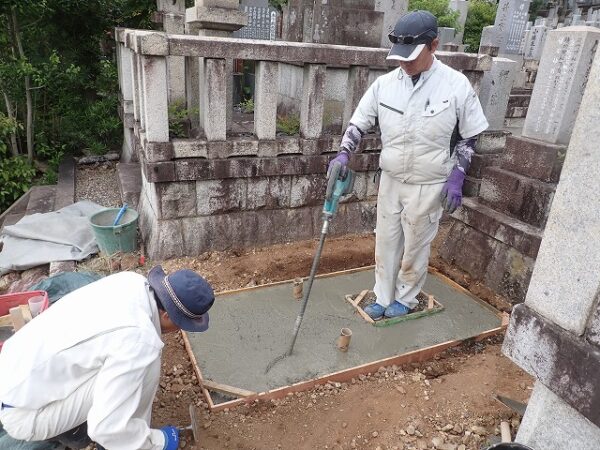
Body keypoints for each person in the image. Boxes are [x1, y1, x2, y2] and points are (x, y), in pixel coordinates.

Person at [329, 10, 488, 320]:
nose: (405, 63)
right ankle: (383, 295)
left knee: (415, 246)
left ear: (434, 46)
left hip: (429, 183)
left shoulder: (456, 86)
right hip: (391, 179)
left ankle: (406, 299)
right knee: (385, 241)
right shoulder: (384, 86)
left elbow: (471, 137)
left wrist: (458, 175)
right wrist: (343, 153)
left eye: (412, 56)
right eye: (400, 56)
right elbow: (358, 124)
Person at [0, 265, 215, 450]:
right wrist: (159, 441)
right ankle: (122, 440)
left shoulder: (131, 282)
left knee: (139, 365)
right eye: (180, 323)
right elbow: (105, 426)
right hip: (24, 415)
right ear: (167, 315)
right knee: (147, 367)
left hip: (11, 370)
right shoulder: (139, 340)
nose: (178, 330)